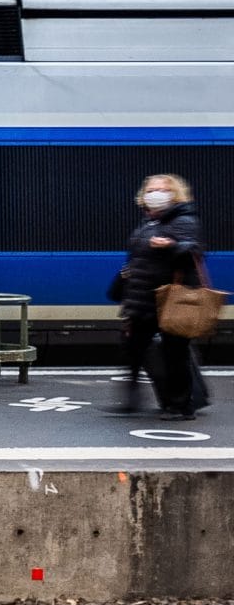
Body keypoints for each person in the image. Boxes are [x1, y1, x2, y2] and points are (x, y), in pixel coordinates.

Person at [110, 173, 209, 420]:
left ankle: (181, 406)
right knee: (133, 349)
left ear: (174, 194)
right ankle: (131, 401)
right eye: (151, 189)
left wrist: (171, 246)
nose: (155, 194)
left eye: (162, 189)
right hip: (143, 298)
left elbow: (194, 250)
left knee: (175, 354)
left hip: (169, 299)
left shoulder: (183, 219)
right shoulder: (149, 222)